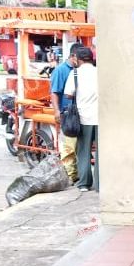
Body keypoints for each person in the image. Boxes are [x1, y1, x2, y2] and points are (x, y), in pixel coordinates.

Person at [64, 47, 98, 192]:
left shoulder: (75, 73)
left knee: (83, 150)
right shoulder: (100, 72)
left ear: (79, 59)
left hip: (83, 118)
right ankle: (101, 184)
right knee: (102, 152)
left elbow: (68, 95)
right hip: (101, 117)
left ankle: (84, 183)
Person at [51, 43, 82, 182]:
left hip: (80, 113)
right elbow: (55, 93)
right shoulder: (61, 70)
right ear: (73, 56)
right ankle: (71, 175)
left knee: (79, 145)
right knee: (68, 146)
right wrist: (57, 111)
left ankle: (78, 174)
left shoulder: (81, 69)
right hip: (67, 114)